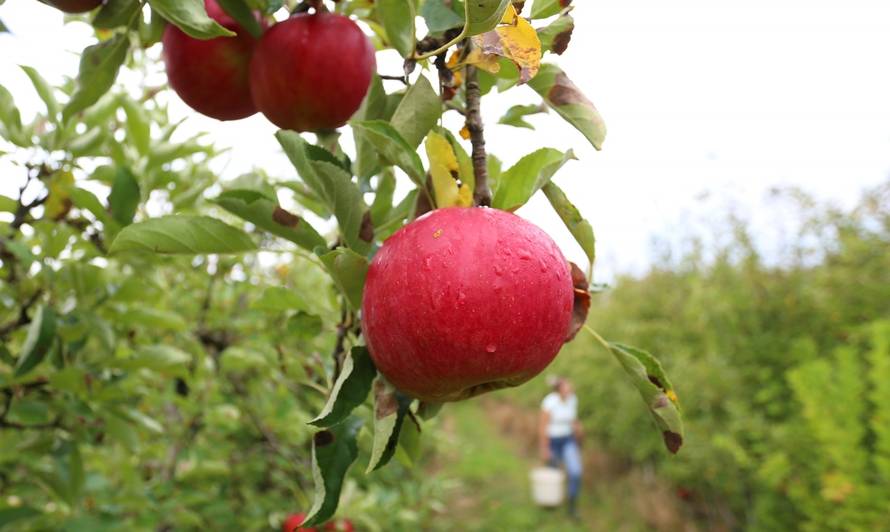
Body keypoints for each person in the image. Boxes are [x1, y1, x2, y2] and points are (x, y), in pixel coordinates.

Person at [539, 376, 583, 517]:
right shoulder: (549, 402)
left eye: (570, 388)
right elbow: (543, 426)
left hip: (567, 440)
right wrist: (544, 448)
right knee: (555, 472)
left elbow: (573, 420)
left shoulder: (572, 400)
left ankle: (571, 504)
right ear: (558, 390)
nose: (569, 391)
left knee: (575, 472)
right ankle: (551, 501)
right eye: (566, 388)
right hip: (553, 441)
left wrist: (578, 430)